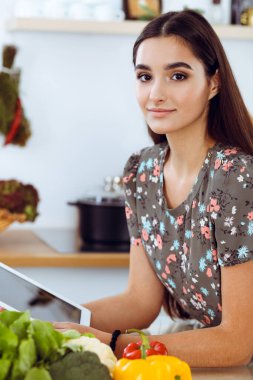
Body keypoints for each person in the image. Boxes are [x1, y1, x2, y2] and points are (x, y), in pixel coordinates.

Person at [54, 10, 253, 367]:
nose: (156, 93)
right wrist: (56, 320)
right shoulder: (141, 172)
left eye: (177, 75)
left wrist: (113, 344)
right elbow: (140, 302)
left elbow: (238, 342)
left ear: (214, 83)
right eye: (145, 76)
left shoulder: (234, 176)